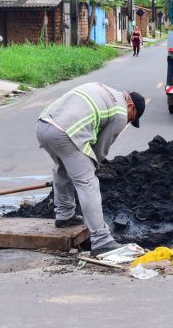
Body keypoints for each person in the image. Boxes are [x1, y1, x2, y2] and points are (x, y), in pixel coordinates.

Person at [36, 83, 146, 256]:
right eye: (132, 118)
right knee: (87, 182)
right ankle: (102, 240)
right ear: (130, 106)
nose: (129, 121)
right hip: (65, 132)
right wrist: (93, 166)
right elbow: (101, 148)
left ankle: (65, 216)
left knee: (62, 169)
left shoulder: (106, 91)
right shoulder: (120, 113)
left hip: (43, 126)